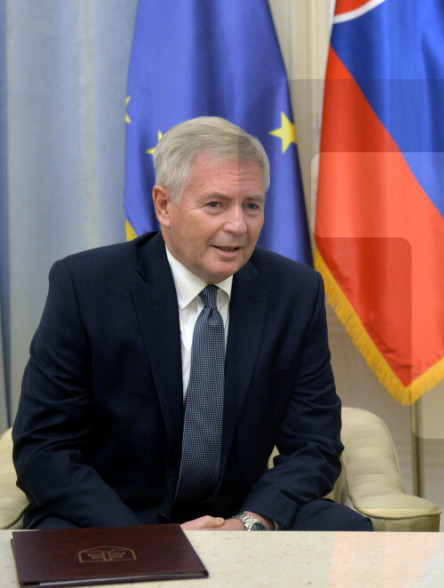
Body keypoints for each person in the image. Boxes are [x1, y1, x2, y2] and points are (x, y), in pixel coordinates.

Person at [13, 116, 372, 532]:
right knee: (56, 541)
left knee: (345, 529)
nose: (238, 226)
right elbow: (44, 449)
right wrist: (152, 542)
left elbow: (314, 445)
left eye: (252, 205)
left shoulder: (294, 292)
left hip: (238, 515)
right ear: (164, 205)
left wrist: (249, 522)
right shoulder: (87, 287)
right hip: (115, 518)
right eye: (216, 204)